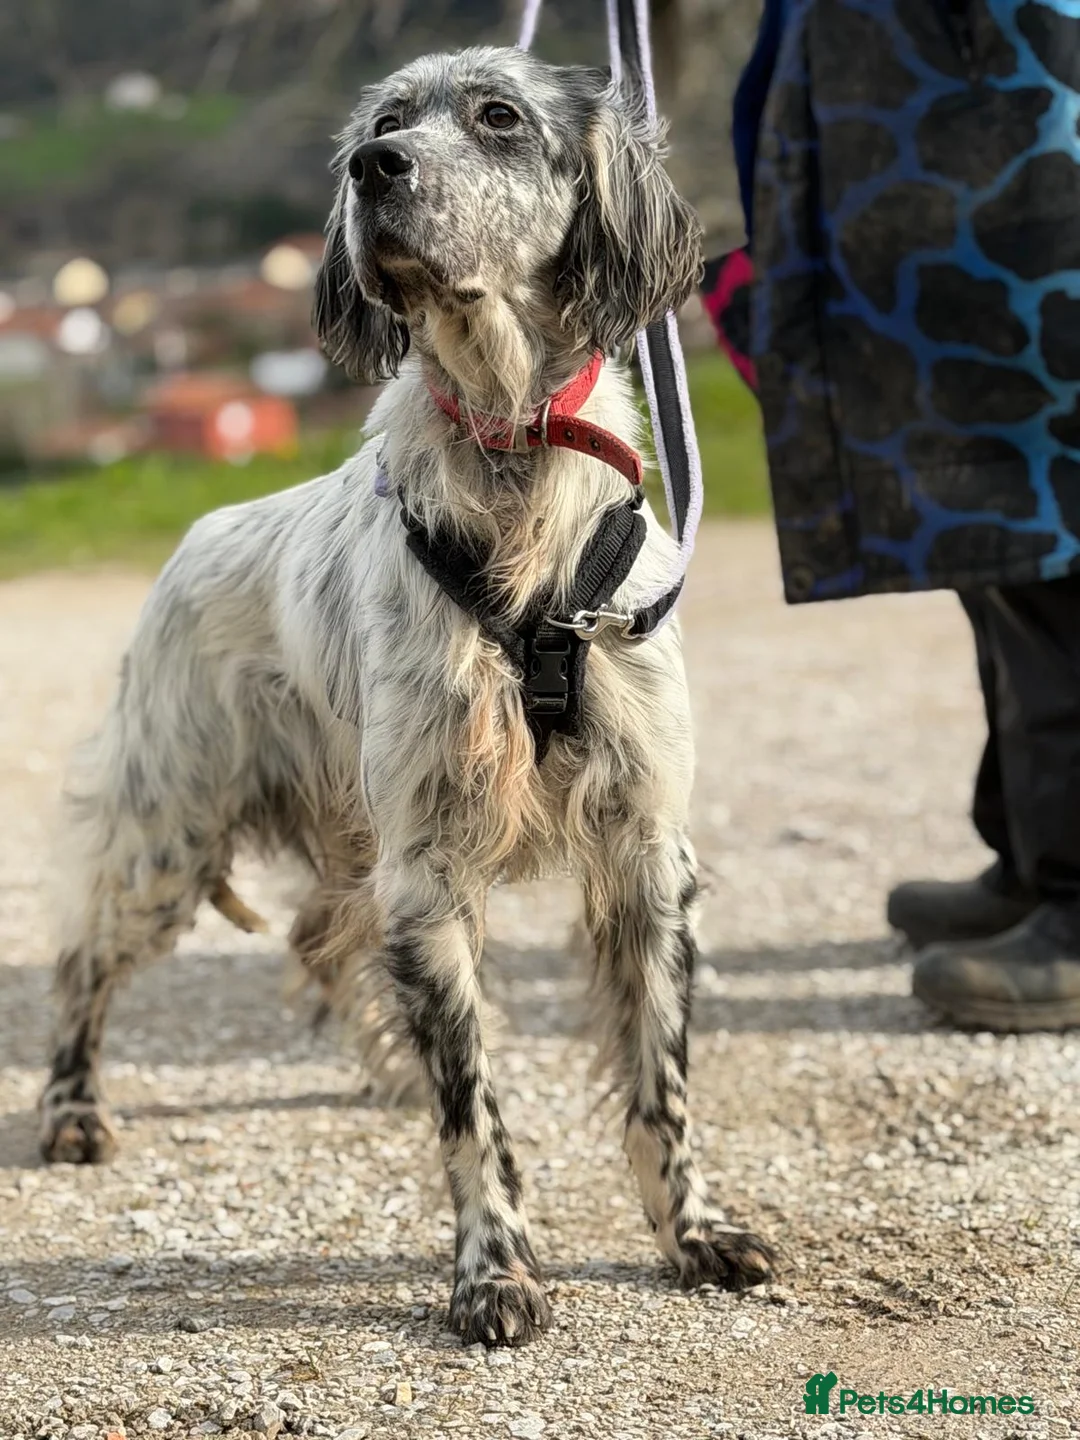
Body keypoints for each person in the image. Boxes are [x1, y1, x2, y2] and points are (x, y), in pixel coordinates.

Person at [698, 0, 1080, 1032]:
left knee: (1050, 504)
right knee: (982, 497)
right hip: (928, 91)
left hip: (1006, 86)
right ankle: (1039, 856)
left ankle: (1077, 898)